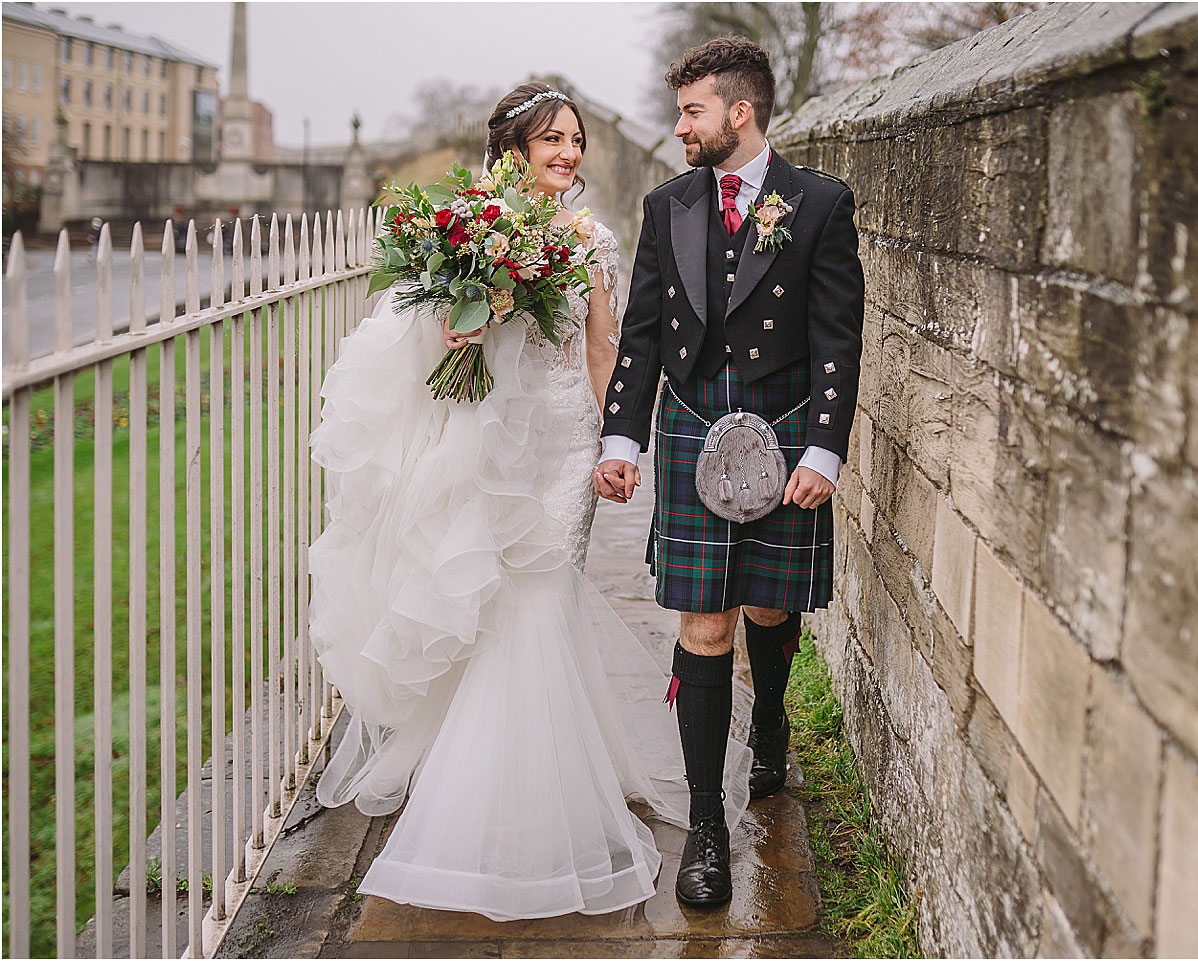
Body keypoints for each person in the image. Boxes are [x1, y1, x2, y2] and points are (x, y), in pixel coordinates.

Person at [307, 81, 751, 921]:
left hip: (564, 443)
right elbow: (437, 337)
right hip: (491, 436)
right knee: (496, 601)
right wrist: (467, 321)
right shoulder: (473, 228)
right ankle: (497, 784)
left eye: (576, 141)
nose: (569, 155)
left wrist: (619, 441)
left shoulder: (594, 239)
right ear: (515, 151)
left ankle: (538, 782)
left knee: (547, 594)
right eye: (553, 141)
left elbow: (602, 349)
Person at [594, 37, 865, 906]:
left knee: (767, 606)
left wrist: (823, 448)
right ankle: (707, 823)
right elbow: (639, 335)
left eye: (693, 112)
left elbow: (836, 335)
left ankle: (773, 716)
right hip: (692, 422)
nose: (679, 128)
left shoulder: (818, 202)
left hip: (784, 427)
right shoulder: (669, 203)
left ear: (738, 113)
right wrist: (620, 440)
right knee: (704, 625)